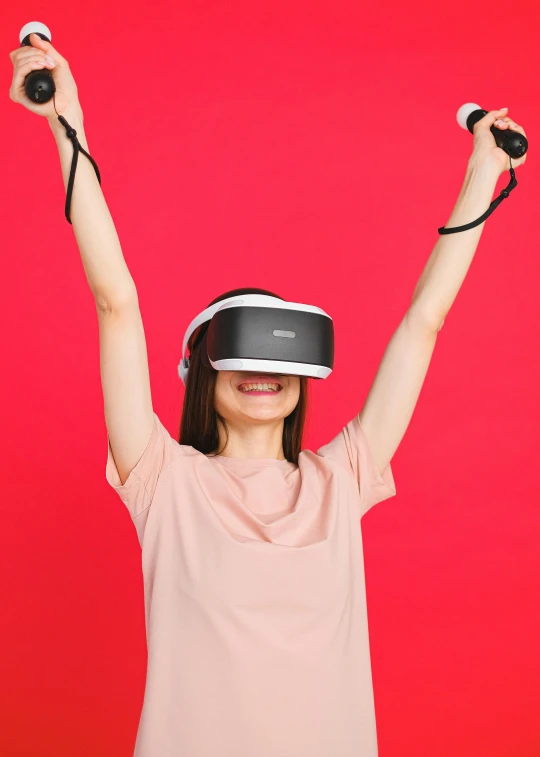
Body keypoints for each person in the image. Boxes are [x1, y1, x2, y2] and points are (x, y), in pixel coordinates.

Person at [9, 33, 527, 757]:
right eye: (242, 349)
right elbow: (115, 302)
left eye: (283, 353)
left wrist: (483, 168)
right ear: (202, 370)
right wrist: (69, 124)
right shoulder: (164, 480)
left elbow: (424, 323)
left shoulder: (341, 478)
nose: (265, 370)